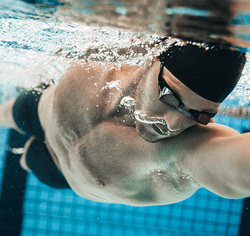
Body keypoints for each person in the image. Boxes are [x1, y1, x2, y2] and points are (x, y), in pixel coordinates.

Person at [0, 41, 248, 205]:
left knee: (25, 160)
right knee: (5, 113)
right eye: (170, 97)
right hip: (40, 110)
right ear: (151, 61)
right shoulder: (111, 48)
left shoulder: (183, 151)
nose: (173, 125)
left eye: (200, 115)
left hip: (58, 172)